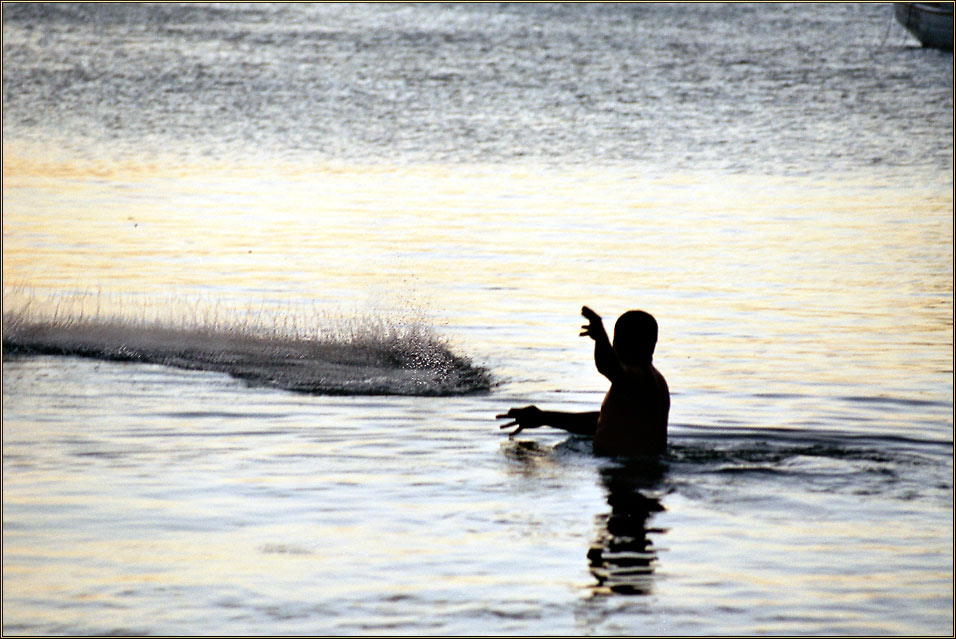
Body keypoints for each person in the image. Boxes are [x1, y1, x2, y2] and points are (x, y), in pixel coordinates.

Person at [497, 306, 670, 457]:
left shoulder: (636, 378)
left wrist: (600, 338)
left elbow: (608, 366)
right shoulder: (653, 382)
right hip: (639, 473)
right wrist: (543, 417)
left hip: (629, 476)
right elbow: (603, 421)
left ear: (618, 343)